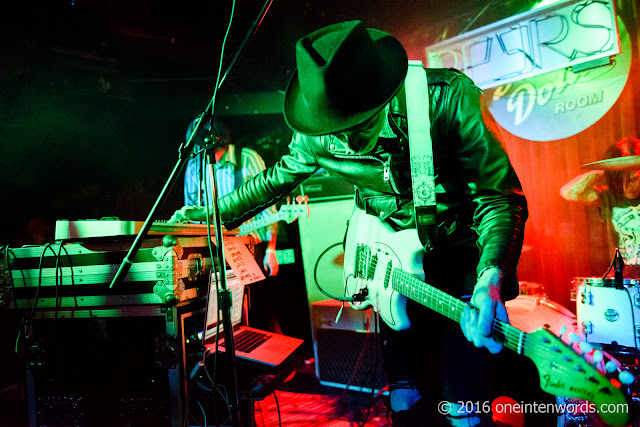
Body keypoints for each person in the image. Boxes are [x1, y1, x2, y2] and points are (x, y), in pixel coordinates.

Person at [172, 21, 527, 426]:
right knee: (407, 403)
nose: (343, 142)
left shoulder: (446, 100)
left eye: (357, 126)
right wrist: (203, 217)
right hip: (393, 272)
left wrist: (492, 275)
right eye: (332, 130)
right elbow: (272, 181)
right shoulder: (315, 136)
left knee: (463, 410)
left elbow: (497, 197)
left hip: (462, 269)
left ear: (385, 93)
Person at [183, 115, 279, 277]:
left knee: (246, 300)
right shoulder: (194, 167)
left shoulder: (247, 159)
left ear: (217, 139)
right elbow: (191, 213)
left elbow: (268, 209)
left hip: (249, 247)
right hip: (212, 251)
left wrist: (271, 250)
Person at [560, 137, 640, 278]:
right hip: (624, 278)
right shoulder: (609, 197)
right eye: (621, 178)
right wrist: (606, 173)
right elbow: (569, 192)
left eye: (633, 179)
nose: (627, 186)